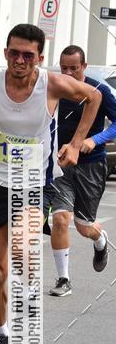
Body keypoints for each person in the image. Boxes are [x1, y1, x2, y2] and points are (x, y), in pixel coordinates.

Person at [0, 24, 102, 344]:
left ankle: (27, 313)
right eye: (14, 53)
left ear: (40, 58)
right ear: (6, 53)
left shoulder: (51, 84)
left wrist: (74, 144)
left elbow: (94, 96)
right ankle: (0, 334)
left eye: (28, 55)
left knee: (23, 253)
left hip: (32, 183)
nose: (20, 60)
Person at [48, 46, 116, 296]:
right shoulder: (54, 88)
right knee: (60, 219)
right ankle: (63, 279)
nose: (67, 73)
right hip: (60, 165)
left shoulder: (99, 90)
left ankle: (100, 240)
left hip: (91, 165)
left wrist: (94, 140)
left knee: (84, 226)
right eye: (63, 68)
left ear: (84, 67)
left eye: (73, 69)